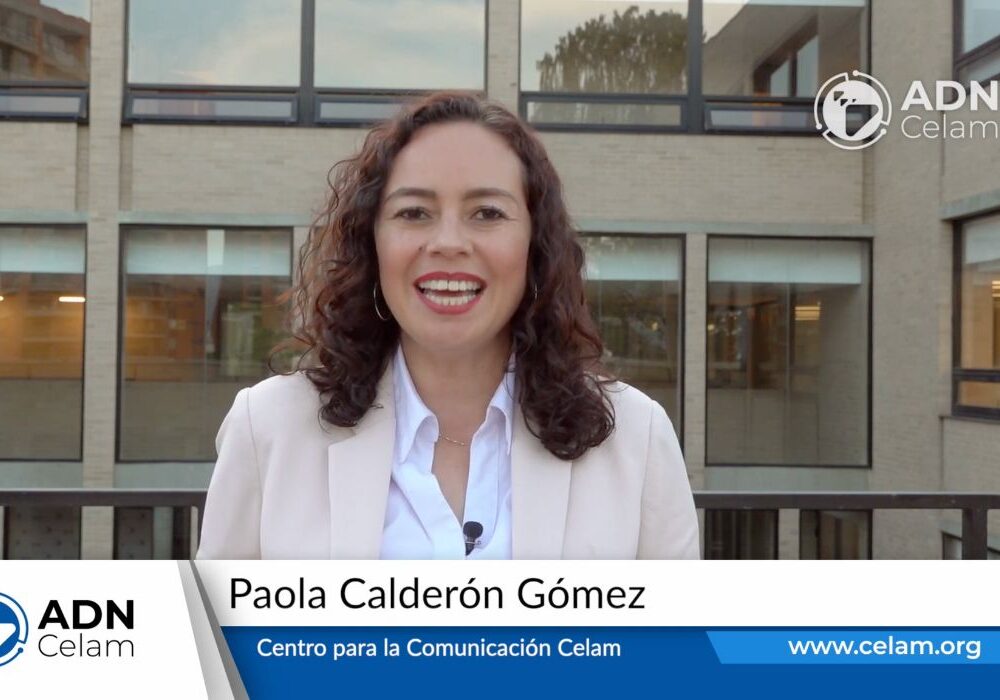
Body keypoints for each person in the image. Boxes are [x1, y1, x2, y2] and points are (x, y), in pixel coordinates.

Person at [197, 92, 699, 560]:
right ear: (372, 243)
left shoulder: (637, 439)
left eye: (487, 212)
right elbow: (215, 628)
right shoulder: (267, 430)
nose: (449, 243)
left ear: (536, 246)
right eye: (414, 212)